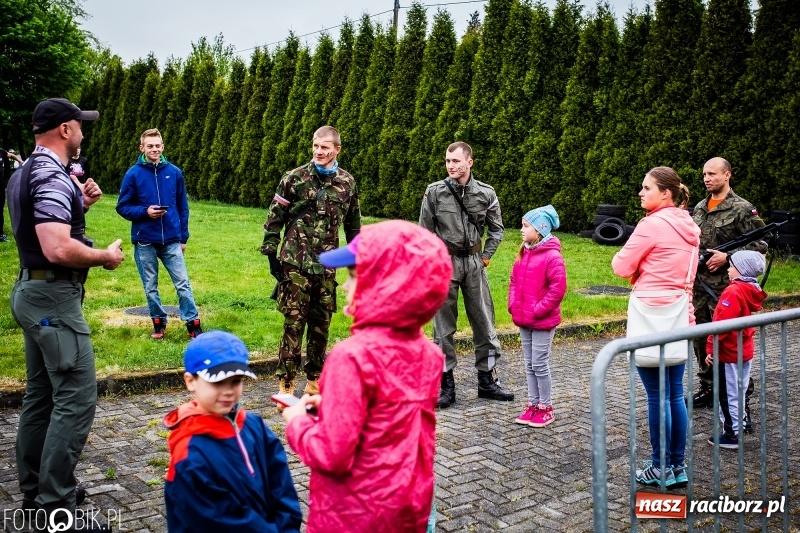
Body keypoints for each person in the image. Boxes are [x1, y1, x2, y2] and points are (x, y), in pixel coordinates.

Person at [281, 220, 451, 531]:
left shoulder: (352, 357)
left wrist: (297, 420)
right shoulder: (429, 354)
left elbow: (332, 454)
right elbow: (389, 415)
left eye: (354, 275)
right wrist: (332, 405)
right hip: (409, 506)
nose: (345, 285)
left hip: (355, 513)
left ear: (384, 283)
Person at [7, 97, 124, 520]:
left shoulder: (26, 171)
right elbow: (56, 248)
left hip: (31, 293)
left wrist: (81, 206)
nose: (82, 132)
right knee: (76, 398)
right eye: (79, 125)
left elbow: (41, 231)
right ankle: (54, 507)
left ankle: (36, 490)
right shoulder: (53, 177)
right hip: (53, 300)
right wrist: (105, 256)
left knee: (41, 395)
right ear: (64, 130)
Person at [611, 166, 700, 488]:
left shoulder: (652, 225)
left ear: (666, 193)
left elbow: (621, 265)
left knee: (656, 397)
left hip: (650, 314)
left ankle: (660, 467)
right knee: (674, 394)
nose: (640, 192)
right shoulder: (689, 224)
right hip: (680, 312)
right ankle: (677, 466)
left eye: (646, 188)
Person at [164, 330, 302, 532]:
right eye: (217, 381)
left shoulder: (254, 426)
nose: (228, 390)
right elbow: (219, 520)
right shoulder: (190, 454)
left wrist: (288, 527)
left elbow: (282, 487)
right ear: (190, 381)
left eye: (236, 381)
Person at [260, 125, 361, 398]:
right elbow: (275, 217)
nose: (319, 152)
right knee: (293, 322)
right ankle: (286, 382)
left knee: (321, 324)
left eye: (325, 147)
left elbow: (353, 225)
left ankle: (314, 380)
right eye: (316, 146)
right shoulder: (294, 178)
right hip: (295, 263)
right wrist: (271, 254)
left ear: (337, 150)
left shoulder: (347, 183)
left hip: (326, 266)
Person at [419, 141, 513, 408]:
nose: (451, 166)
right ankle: (446, 386)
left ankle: (487, 381)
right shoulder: (435, 192)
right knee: (442, 328)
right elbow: (424, 232)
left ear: (469, 162)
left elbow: (497, 229)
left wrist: (485, 257)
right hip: (444, 264)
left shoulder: (485, 193)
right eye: (448, 161)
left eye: (456, 161)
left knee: (484, 322)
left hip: (473, 262)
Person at [691, 157, 767, 435]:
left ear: (727, 175)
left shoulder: (742, 208)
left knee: (730, 344)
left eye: (712, 174)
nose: (707, 178)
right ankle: (709, 388)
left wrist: (728, 256)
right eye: (704, 174)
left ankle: (740, 402)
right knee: (701, 339)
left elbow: (760, 244)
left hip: (726, 288)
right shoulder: (699, 207)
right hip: (700, 287)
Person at [116, 128, 202, 339]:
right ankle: (158, 322)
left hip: (172, 239)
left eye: (157, 145)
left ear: (162, 147)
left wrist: (183, 238)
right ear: (142, 148)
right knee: (150, 286)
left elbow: (183, 207)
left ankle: (193, 324)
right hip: (145, 240)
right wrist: (145, 212)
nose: (154, 149)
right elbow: (122, 206)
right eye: (150, 146)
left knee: (182, 283)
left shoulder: (174, 172)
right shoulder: (133, 174)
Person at [508, 205, 566, 428]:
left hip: (541, 321)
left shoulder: (552, 257)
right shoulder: (524, 252)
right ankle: (533, 404)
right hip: (524, 319)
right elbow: (513, 282)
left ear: (540, 229)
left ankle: (546, 407)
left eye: (526, 226)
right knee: (529, 364)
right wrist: (514, 304)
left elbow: (557, 289)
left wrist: (537, 310)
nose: (521, 230)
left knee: (540, 364)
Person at [705, 250, 767, 450]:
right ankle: (736, 426)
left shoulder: (733, 291)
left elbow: (722, 324)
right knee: (738, 391)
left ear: (741, 270)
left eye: (731, 267)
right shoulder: (750, 289)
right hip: (744, 351)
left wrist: (710, 348)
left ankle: (731, 435)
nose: (728, 270)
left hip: (728, 353)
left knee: (727, 393)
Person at [1, 148, 25, 242]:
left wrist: (20, 161)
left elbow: (10, 155)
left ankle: (1, 234)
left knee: (1, 209)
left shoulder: (1, 152)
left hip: (1, 186)